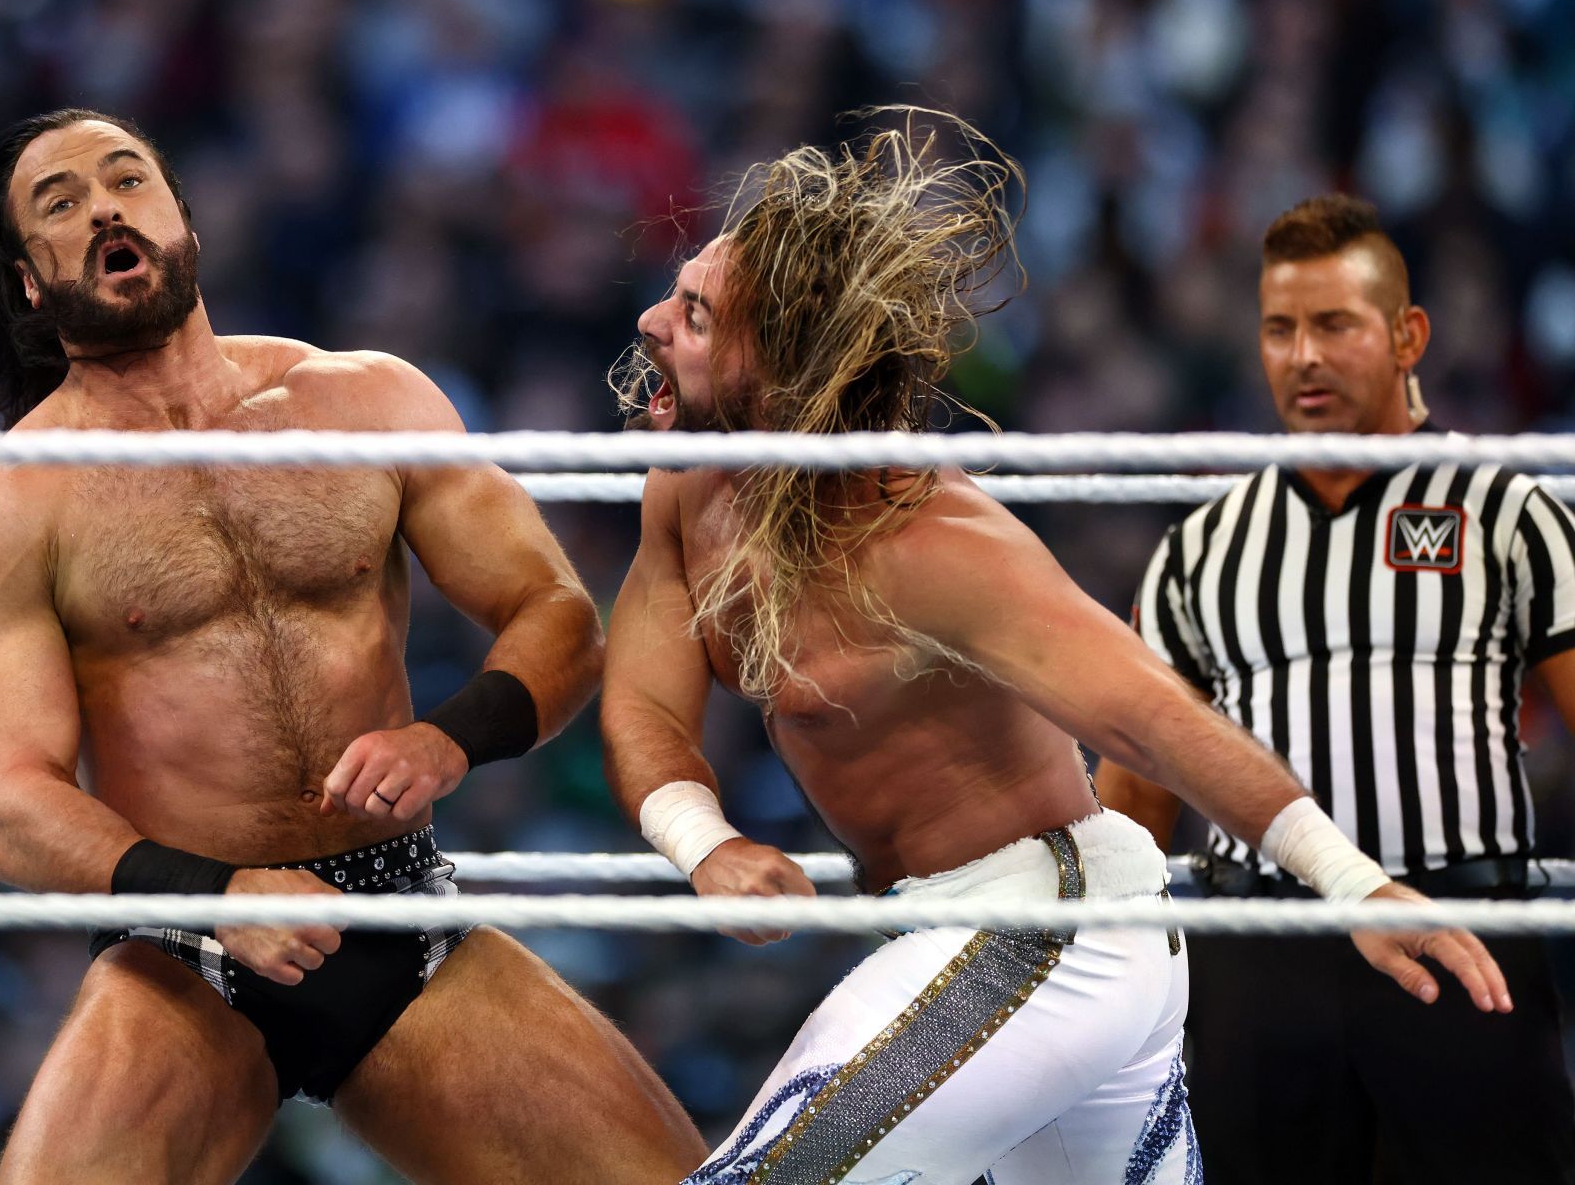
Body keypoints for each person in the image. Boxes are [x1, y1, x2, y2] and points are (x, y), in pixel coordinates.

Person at [599, 111, 1511, 1184]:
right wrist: (703, 840)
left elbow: (1156, 715)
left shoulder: (930, 542)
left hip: (1053, 926)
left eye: (698, 316)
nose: (655, 320)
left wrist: (1353, 883)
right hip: (966, 934)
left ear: (785, 373)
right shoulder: (690, 489)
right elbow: (646, 709)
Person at [0, 108, 706, 1184]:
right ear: (30, 282)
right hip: (184, 953)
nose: (103, 205)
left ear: (181, 216)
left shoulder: (364, 402)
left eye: (127, 179)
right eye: (61, 202)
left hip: (396, 912)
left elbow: (557, 612)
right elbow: (12, 806)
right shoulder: (10, 509)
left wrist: (447, 739)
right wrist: (214, 896)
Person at [1095, 193, 1575, 1182]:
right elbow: (1133, 800)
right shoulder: (1201, 548)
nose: (1304, 355)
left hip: (1463, 937)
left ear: (1408, 336)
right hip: (1261, 952)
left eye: (1334, 324)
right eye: (1281, 328)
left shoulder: (1508, 510)